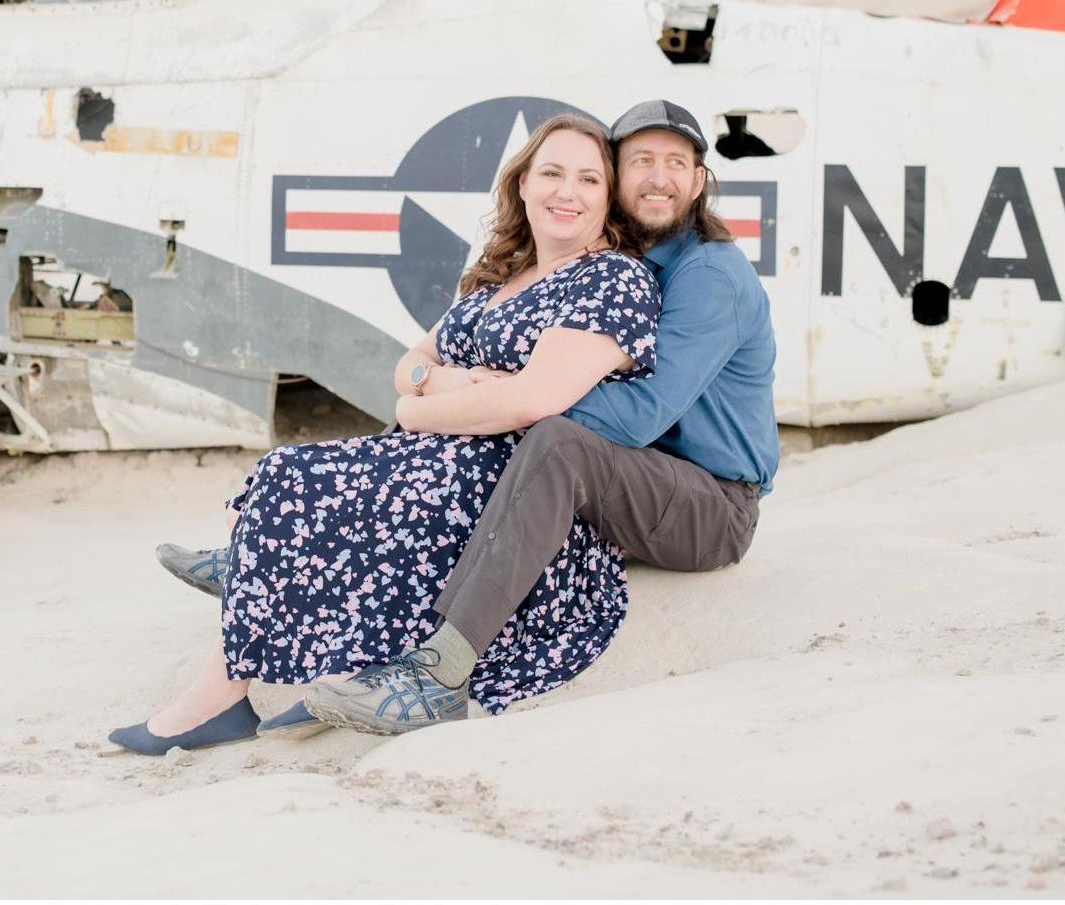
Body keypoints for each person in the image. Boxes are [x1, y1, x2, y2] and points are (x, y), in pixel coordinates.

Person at [108, 113, 660, 754]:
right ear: (523, 185)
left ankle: (236, 676)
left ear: (607, 197)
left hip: (511, 478)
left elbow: (532, 401)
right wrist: (444, 382)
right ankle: (240, 680)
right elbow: (409, 363)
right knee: (288, 471)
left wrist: (420, 405)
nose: (569, 191)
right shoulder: (498, 275)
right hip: (436, 450)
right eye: (553, 173)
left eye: (589, 178)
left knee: (323, 489)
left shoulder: (612, 280)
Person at [303, 98, 779, 736]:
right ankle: (313, 579)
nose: (657, 177)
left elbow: (637, 416)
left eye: (675, 163)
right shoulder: (621, 263)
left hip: (711, 504)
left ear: (698, 181)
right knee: (481, 459)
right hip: (636, 480)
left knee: (552, 440)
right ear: (616, 176)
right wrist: (463, 392)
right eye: (640, 161)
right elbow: (441, 355)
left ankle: (439, 677)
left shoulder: (709, 274)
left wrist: (517, 394)